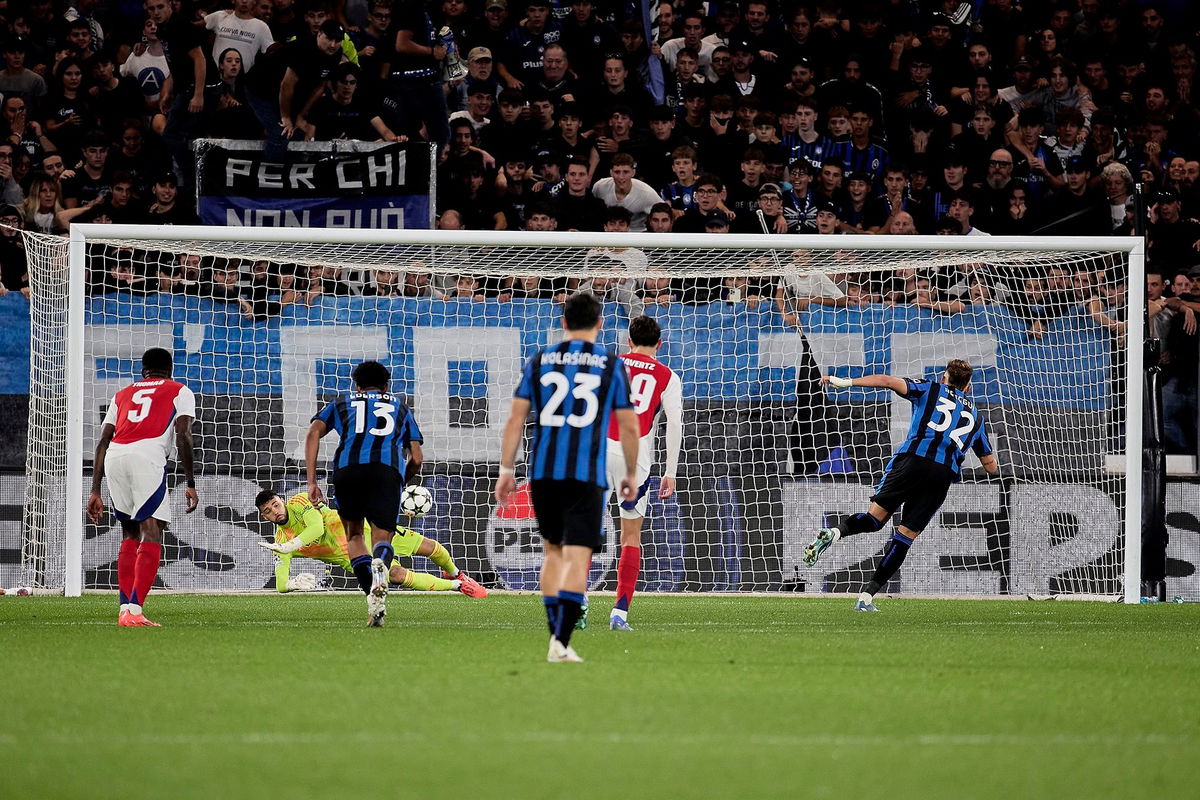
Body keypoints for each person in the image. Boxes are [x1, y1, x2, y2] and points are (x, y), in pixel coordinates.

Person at [495, 292, 639, 662]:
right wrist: (631, 473)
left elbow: (515, 420)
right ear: (600, 323)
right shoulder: (609, 362)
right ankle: (560, 642)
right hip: (586, 474)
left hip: (543, 472)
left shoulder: (541, 360)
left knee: (552, 555)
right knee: (578, 556)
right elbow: (627, 425)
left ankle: (555, 635)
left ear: (563, 322)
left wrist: (506, 470)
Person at [801, 359, 999, 611]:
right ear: (968, 388)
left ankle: (835, 532)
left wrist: (844, 382)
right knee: (904, 537)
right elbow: (990, 466)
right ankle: (866, 597)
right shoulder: (977, 418)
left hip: (913, 461)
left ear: (944, 379)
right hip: (942, 474)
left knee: (874, 520)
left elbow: (886, 381)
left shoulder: (930, 389)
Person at [305, 360, 423, 627]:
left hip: (349, 471)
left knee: (355, 535)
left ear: (356, 386)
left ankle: (373, 600)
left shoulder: (342, 402)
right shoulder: (400, 407)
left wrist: (312, 481)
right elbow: (416, 458)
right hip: (386, 471)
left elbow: (313, 432)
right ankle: (381, 562)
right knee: (383, 537)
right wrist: (400, 482)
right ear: (386, 386)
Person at [85, 347, 199, 627]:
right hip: (146, 457)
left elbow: (102, 441)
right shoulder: (180, 390)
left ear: (142, 371)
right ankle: (134, 611)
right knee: (151, 530)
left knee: (129, 532)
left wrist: (95, 489)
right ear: (169, 369)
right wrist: (190, 481)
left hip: (114, 457)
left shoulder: (121, 395)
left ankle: (125, 608)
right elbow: (182, 434)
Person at [253, 489, 486, 597]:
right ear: (265, 517)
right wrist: (293, 584)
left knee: (432, 548)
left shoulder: (299, 501)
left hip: (363, 527)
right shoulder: (280, 542)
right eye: (268, 511)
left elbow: (317, 528)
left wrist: (289, 547)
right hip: (353, 555)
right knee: (396, 575)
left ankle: (456, 574)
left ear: (281, 501)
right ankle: (459, 587)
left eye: (275, 505)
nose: (274, 511)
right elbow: (281, 585)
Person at [603, 315, 683, 631]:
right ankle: (619, 613)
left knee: (581, 527)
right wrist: (670, 472)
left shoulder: (609, 363)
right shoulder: (668, 376)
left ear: (629, 342)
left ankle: (576, 601)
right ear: (659, 345)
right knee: (630, 535)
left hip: (601, 448)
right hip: (636, 458)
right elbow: (675, 424)